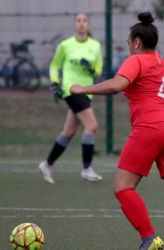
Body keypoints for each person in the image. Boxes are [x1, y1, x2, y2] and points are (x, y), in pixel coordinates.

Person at [70, 12, 164, 250]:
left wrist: (82, 88)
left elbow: (117, 85)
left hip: (151, 127)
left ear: (137, 42)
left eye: (129, 43)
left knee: (122, 187)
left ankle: (149, 238)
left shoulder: (136, 60)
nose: (129, 48)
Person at [39, 13, 103, 183]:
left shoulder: (95, 46)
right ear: (75, 25)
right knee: (92, 126)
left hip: (86, 91)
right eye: (78, 21)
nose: (81, 24)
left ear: (88, 25)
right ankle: (86, 168)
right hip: (71, 90)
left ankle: (47, 163)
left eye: (84, 21)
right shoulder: (66, 45)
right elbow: (54, 65)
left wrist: (90, 68)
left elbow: (98, 70)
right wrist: (54, 82)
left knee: (69, 132)